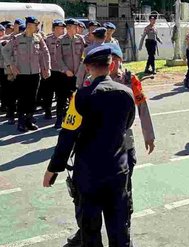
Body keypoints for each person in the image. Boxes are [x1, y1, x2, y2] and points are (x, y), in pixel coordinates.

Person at [43, 46, 135, 247]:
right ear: (111, 65)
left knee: (90, 230)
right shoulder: (126, 93)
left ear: (87, 68)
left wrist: (53, 168)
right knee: (120, 228)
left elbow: (67, 136)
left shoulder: (81, 96)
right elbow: (127, 125)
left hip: (88, 173)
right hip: (117, 171)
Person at [65, 43, 155, 247]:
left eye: (116, 59)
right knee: (88, 201)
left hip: (122, 148)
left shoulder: (129, 79)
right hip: (94, 151)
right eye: (110, 59)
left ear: (119, 61)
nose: (112, 63)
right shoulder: (90, 82)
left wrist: (148, 134)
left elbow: (141, 105)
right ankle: (84, 232)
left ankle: (124, 234)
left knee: (122, 197)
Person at [2, 16, 51, 132]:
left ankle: (29, 121)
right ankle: (21, 122)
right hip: (21, 74)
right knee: (22, 99)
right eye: (35, 25)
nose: (36, 28)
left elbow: (46, 53)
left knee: (32, 99)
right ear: (29, 26)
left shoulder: (38, 38)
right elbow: (5, 50)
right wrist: (11, 65)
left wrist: (47, 68)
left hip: (35, 73)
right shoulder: (17, 38)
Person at [57, 19, 86, 127]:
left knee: (76, 97)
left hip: (78, 74)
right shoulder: (60, 40)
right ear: (68, 28)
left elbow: (83, 56)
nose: (77, 29)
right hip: (65, 74)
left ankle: (76, 118)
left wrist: (80, 70)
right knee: (62, 97)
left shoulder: (80, 39)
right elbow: (58, 58)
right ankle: (60, 118)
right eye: (75, 27)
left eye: (77, 27)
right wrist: (66, 70)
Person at [42, 20, 67, 120]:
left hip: (62, 70)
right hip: (51, 69)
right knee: (48, 92)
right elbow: (43, 54)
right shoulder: (47, 39)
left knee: (61, 93)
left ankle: (60, 113)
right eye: (59, 28)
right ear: (54, 29)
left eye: (62, 28)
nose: (61, 30)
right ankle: (47, 111)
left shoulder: (66, 39)